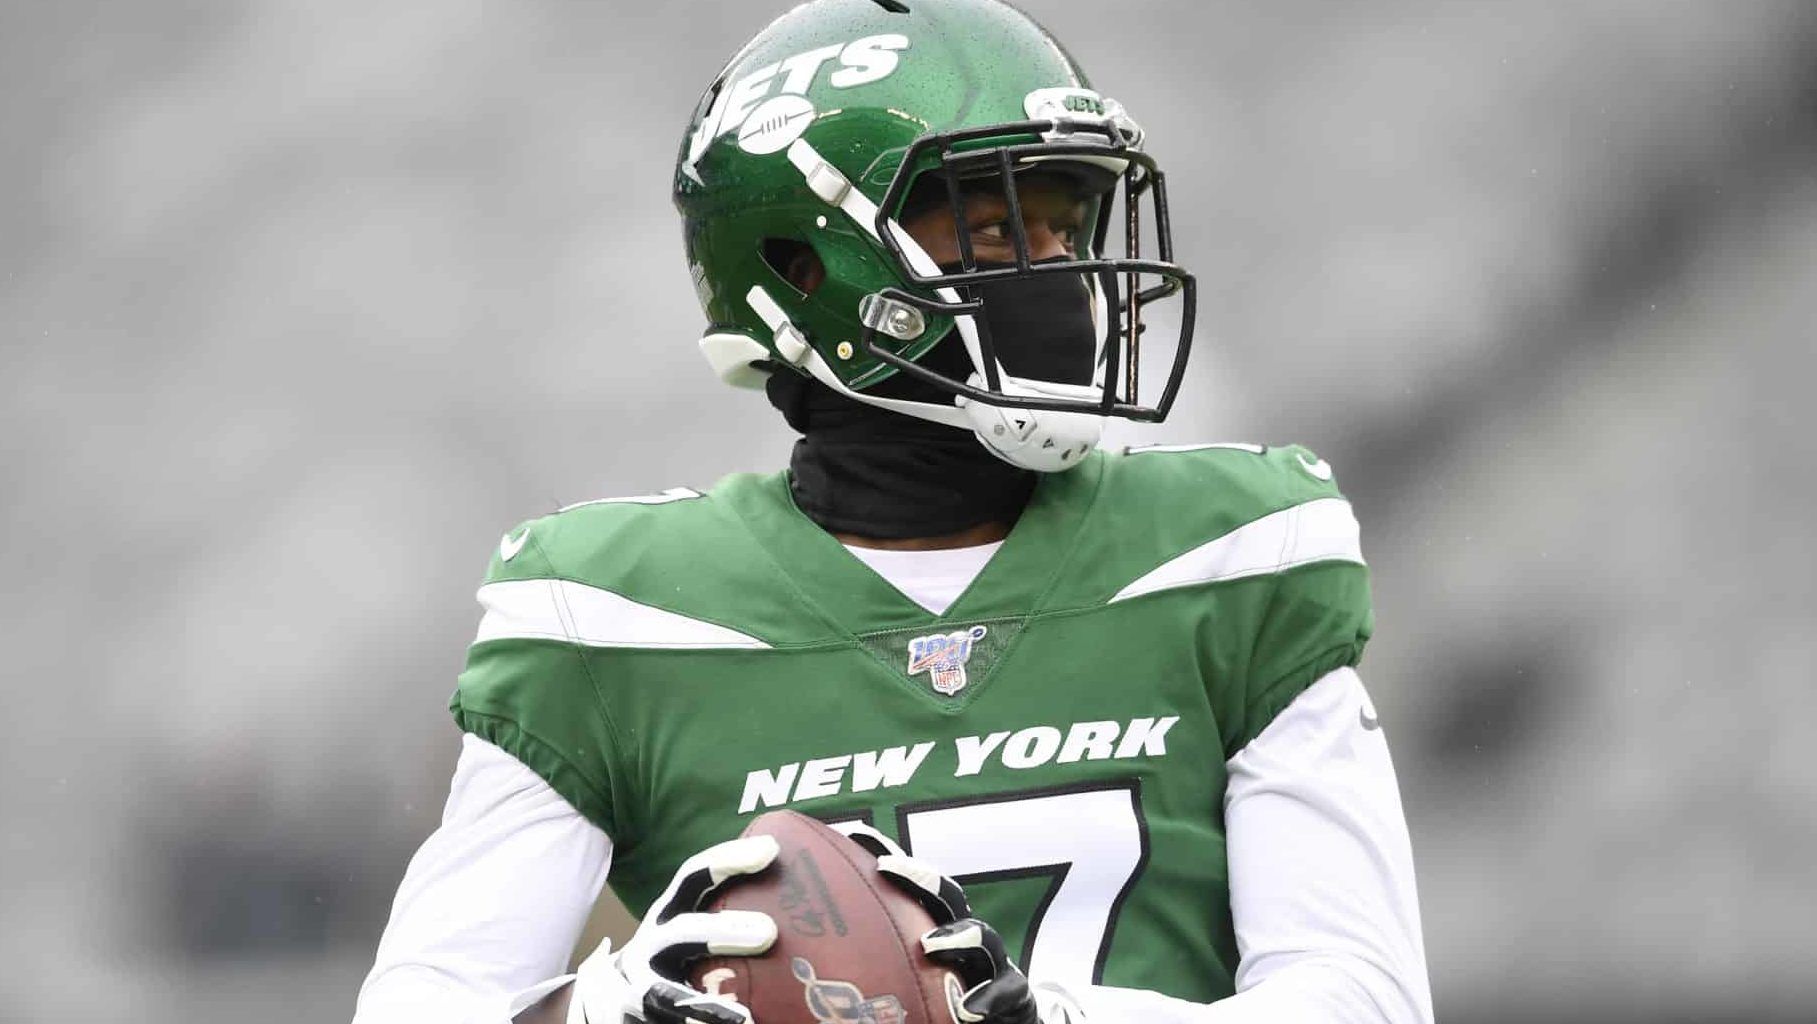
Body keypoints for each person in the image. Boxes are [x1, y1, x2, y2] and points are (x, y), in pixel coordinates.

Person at [355, 2, 1433, 1023]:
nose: (1062, 278)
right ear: (806, 265)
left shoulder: (1229, 556)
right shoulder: (614, 620)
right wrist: (615, 1004)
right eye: (994, 228)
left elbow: (1366, 997)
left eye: (1064, 230)